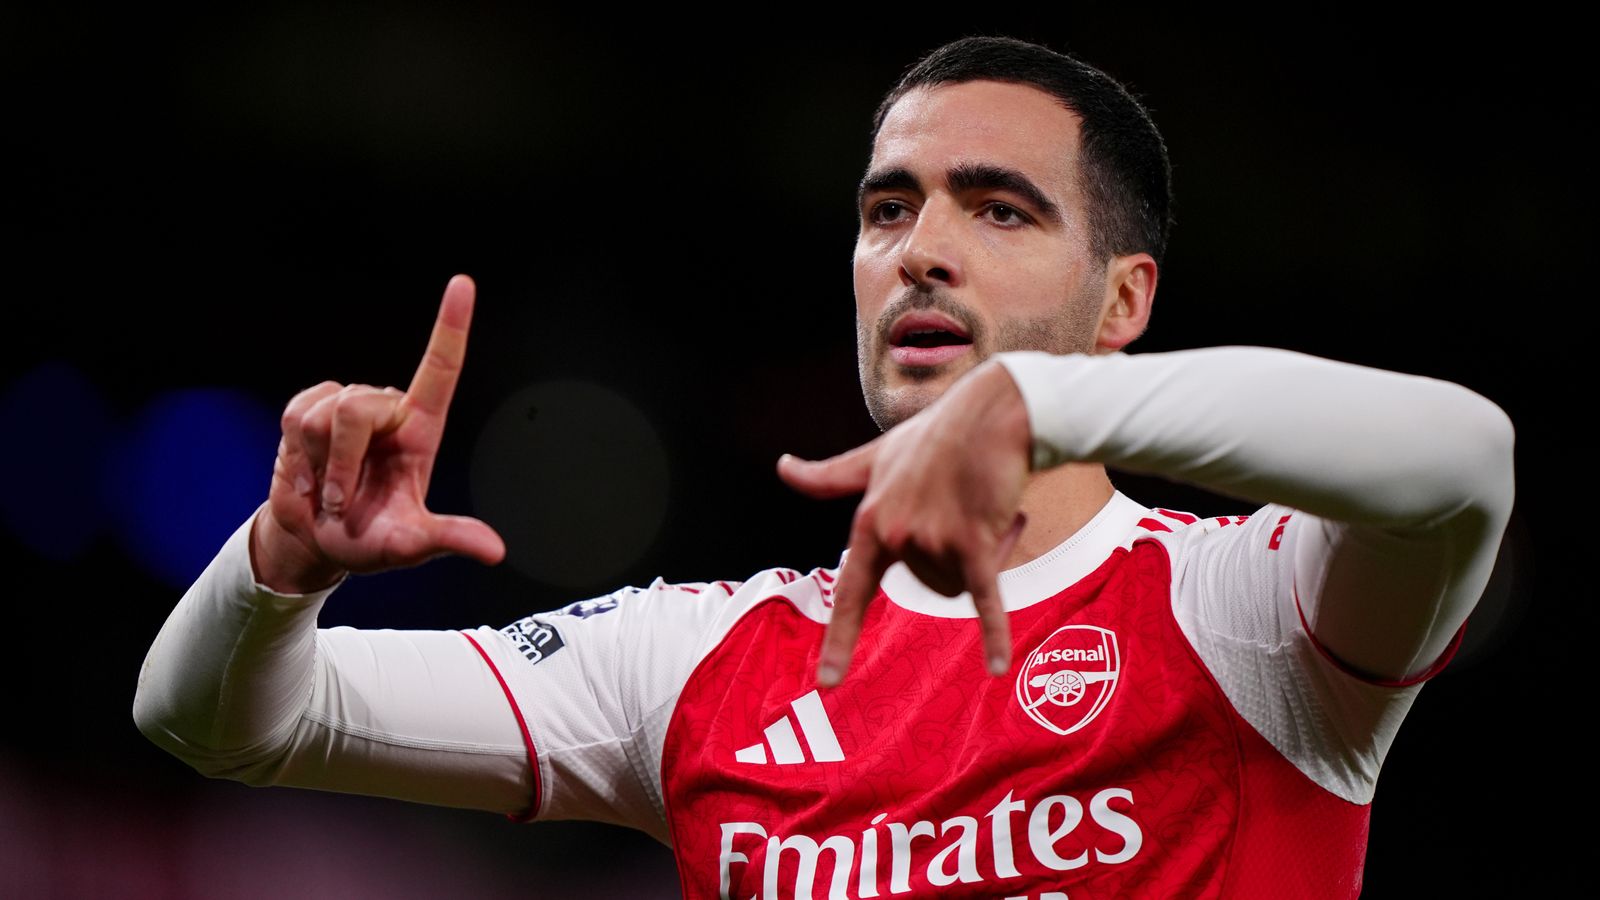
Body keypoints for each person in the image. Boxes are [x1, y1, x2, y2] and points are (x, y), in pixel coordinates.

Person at [133, 36, 1515, 898]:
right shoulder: (695, 663)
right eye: (888, 208)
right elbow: (214, 719)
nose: (921, 245)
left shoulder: (1241, 617)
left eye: (999, 208)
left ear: (1124, 301)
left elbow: (1464, 460)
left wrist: (1049, 404)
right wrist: (281, 563)